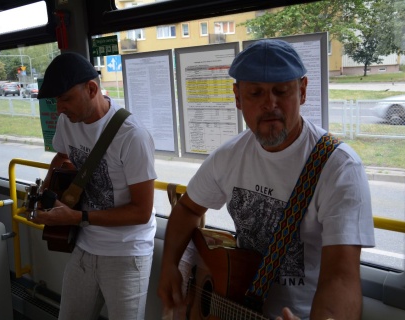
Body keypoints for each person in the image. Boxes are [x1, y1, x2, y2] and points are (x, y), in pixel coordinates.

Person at [157, 39, 375, 320]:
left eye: (281, 91)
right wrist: (169, 265)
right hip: (234, 304)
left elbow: (341, 277)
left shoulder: (338, 168)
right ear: (237, 98)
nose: (269, 104)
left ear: (303, 90)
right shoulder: (229, 156)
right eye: (255, 93)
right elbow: (187, 209)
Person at [31, 52, 157, 320]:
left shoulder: (132, 136)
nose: (59, 109)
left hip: (127, 252)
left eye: (65, 99)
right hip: (85, 246)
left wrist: (76, 216)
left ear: (91, 89)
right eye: (56, 101)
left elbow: (141, 211)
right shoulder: (68, 122)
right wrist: (49, 193)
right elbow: (62, 156)